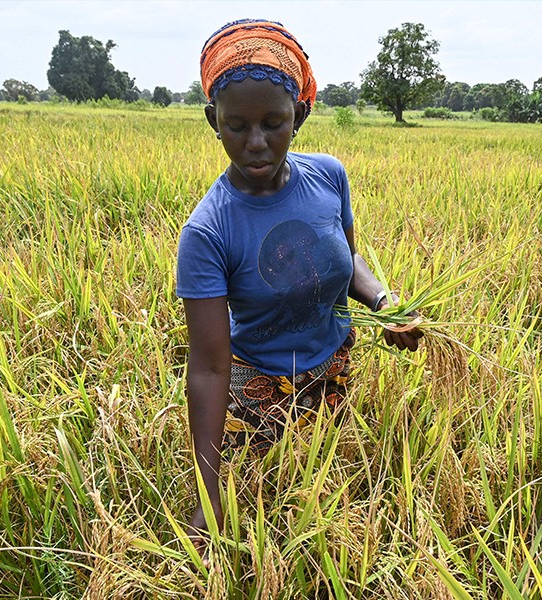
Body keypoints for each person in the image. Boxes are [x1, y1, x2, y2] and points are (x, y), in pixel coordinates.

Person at [176, 19, 423, 547]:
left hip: (332, 369)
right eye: (237, 125)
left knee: (338, 501)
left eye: (275, 122)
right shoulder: (208, 231)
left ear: (301, 116)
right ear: (212, 121)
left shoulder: (329, 177)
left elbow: (347, 261)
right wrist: (207, 490)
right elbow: (210, 365)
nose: (257, 143)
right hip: (256, 388)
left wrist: (385, 301)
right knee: (266, 521)